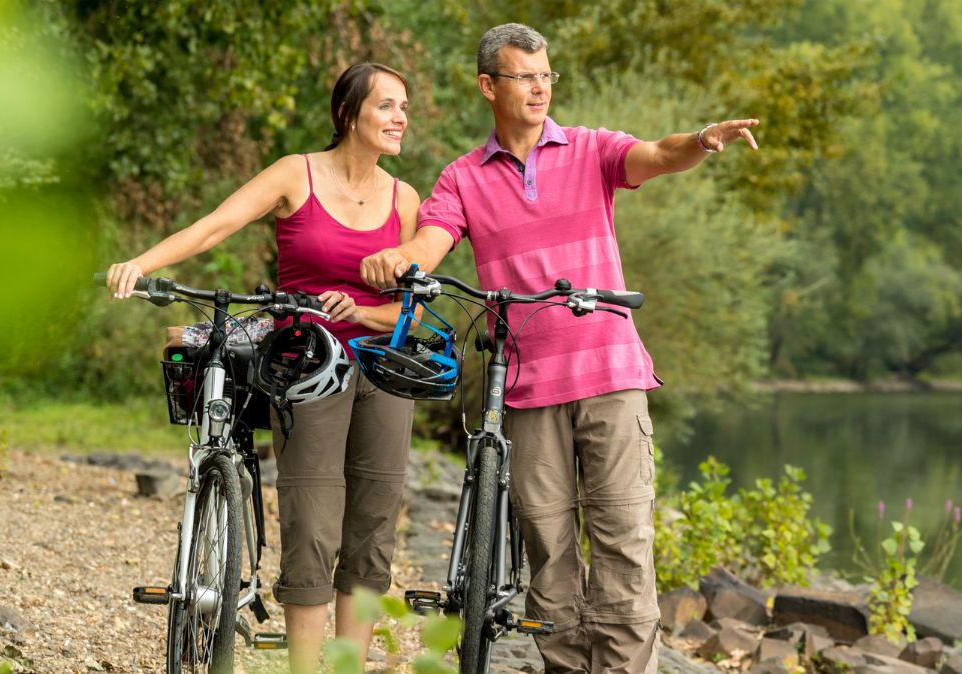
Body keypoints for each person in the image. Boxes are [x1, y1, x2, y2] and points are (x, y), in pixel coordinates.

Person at [357, 23, 757, 674]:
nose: (540, 88)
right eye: (525, 76)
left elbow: (656, 154)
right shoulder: (462, 179)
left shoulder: (592, 149)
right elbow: (431, 243)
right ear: (489, 86)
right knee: (549, 551)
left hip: (612, 375)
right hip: (527, 386)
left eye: (547, 75)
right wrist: (398, 259)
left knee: (625, 541)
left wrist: (702, 142)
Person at [106, 62, 422, 674]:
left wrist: (362, 308)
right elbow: (216, 225)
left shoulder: (405, 198)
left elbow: (407, 310)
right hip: (305, 366)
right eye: (387, 106)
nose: (400, 117)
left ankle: (348, 666)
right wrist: (140, 264)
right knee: (311, 520)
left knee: (375, 520)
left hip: (380, 369)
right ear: (347, 114)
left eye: (404, 106)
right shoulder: (295, 175)